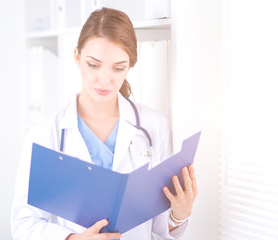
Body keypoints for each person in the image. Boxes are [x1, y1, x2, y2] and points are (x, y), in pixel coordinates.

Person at [11, 7, 198, 240]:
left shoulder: (154, 128)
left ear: (130, 66)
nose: (105, 80)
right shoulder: (44, 135)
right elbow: (23, 223)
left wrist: (180, 214)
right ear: (77, 57)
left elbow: (159, 229)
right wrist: (72, 239)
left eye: (118, 68)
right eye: (93, 65)